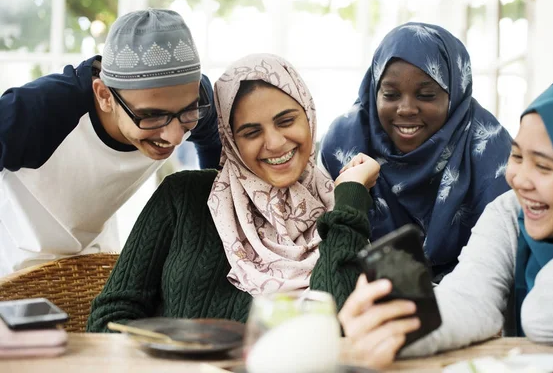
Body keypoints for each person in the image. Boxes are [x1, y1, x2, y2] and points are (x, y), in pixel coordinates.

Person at [86, 53, 379, 332]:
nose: (275, 143)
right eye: (251, 133)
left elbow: (337, 326)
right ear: (230, 139)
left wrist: (351, 195)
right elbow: (108, 318)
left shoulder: (339, 212)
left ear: (309, 116)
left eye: (286, 121)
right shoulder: (183, 197)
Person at [338, 77, 553, 369]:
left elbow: (549, 319)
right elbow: (471, 298)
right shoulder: (511, 212)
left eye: (543, 166)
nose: (519, 179)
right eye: (516, 155)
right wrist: (403, 327)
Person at [0, 9, 222, 276]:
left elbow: (213, 147)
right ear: (104, 95)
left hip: (93, 257)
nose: (174, 137)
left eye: (187, 112)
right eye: (152, 116)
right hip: (12, 261)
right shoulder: (37, 111)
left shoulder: (197, 100)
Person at [320, 22, 513, 278]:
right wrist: (353, 189)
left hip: (473, 295)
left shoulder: (489, 147)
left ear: (455, 95)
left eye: (426, 95)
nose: (407, 109)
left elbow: (504, 263)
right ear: (374, 90)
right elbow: (330, 256)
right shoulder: (345, 141)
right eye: (390, 94)